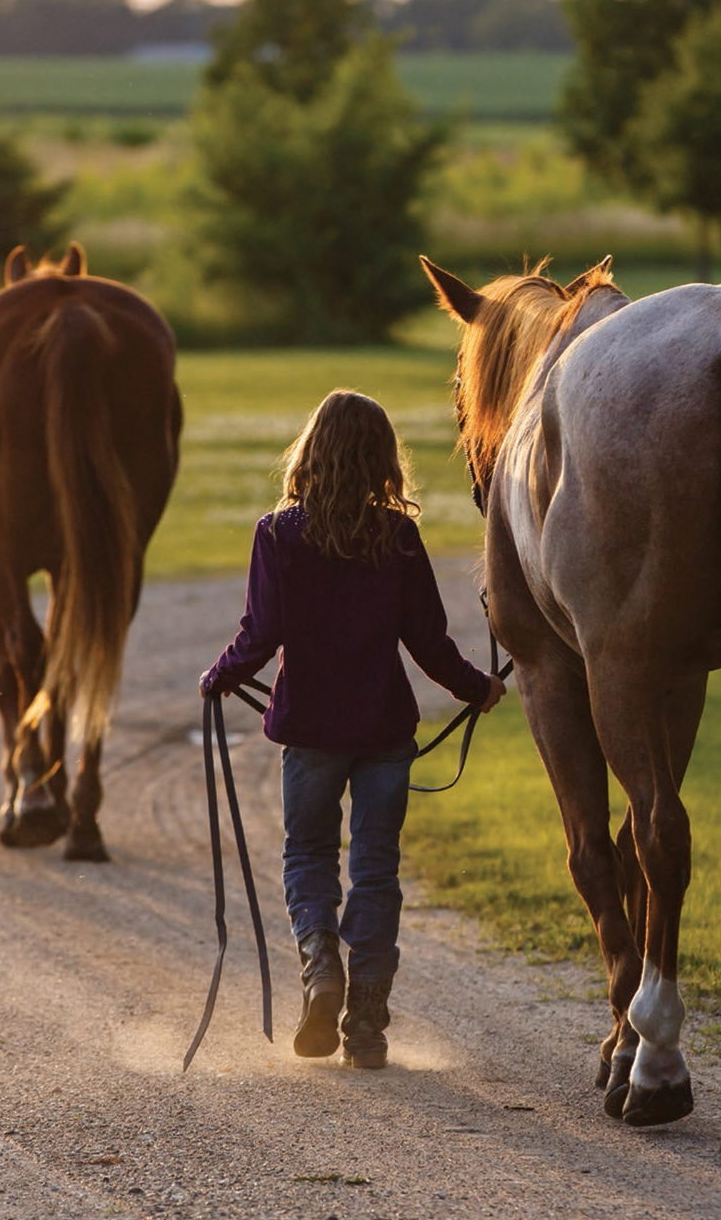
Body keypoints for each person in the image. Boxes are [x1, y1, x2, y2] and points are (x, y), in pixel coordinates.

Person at [200, 390, 506, 1069]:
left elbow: (260, 635)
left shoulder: (277, 534)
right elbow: (429, 642)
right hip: (382, 731)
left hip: (310, 730)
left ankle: (321, 969)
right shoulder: (397, 536)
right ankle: (365, 1017)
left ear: (312, 451)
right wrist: (478, 688)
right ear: (382, 461)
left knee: (308, 855)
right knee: (376, 868)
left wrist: (219, 675)